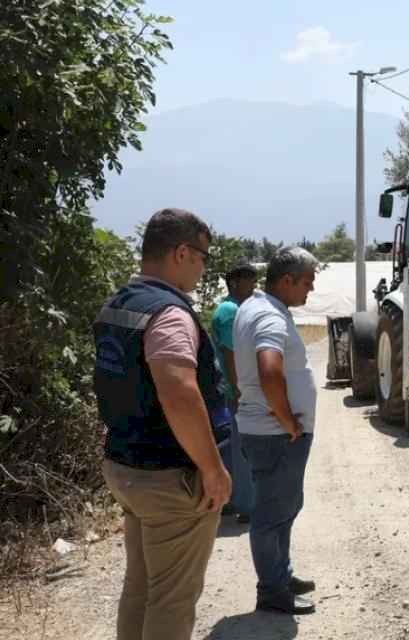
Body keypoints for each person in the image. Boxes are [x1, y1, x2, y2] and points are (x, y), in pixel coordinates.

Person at [92, 208, 230, 640]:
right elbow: (178, 393)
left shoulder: (118, 303)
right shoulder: (169, 314)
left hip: (127, 468)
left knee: (141, 587)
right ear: (182, 252)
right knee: (171, 601)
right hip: (170, 478)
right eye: (203, 256)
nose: (204, 267)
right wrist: (212, 469)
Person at [234, 247, 320, 615]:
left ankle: (280, 575)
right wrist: (287, 421)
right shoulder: (269, 316)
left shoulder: (252, 307)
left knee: (283, 507)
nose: (310, 290)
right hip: (275, 433)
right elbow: (269, 370)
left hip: (267, 430)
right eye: (307, 282)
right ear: (286, 281)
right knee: (272, 514)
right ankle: (272, 591)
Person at [211, 263, 258, 522]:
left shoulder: (235, 309)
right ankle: (247, 505)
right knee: (242, 449)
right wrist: (240, 390)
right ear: (234, 283)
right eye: (249, 281)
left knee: (230, 447)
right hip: (233, 388)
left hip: (230, 387)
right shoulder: (230, 311)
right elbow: (231, 354)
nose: (253, 286)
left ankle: (229, 500)